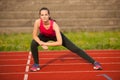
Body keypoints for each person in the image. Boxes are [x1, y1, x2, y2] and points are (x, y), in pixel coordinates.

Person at [30, 7, 102, 72]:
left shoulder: (54, 25)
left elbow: (59, 42)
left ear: (49, 15)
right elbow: (34, 36)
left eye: (46, 14)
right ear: (40, 16)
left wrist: (45, 44)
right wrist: (40, 43)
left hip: (55, 36)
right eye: (42, 15)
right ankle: (36, 64)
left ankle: (95, 63)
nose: (44, 17)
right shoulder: (37, 22)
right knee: (33, 43)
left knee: (75, 49)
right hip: (44, 36)